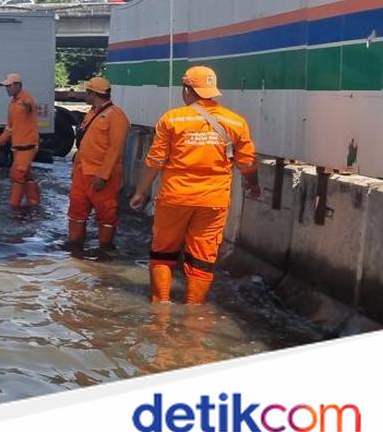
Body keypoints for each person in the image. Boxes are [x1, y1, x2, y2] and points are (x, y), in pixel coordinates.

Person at [130, 66, 261, 305]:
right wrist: (254, 186)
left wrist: (140, 192)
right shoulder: (236, 122)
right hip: (213, 201)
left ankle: (161, 307)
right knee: (202, 257)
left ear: (186, 90)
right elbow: (248, 164)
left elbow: (155, 161)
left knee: (163, 252)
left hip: (175, 197)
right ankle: (193, 312)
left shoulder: (172, 119)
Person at [67, 76, 130, 258]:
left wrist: (103, 176)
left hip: (100, 176)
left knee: (106, 213)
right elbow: (84, 145)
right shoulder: (92, 113)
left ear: (93, 93)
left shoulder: (116, 116)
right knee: (76, 211)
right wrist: (75, 170)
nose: (84, 95)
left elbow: (115, 149)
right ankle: (75, 247)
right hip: (82, 172)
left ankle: (104, 249)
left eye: (87, 92)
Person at [0, 72, 41, 209]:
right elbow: (10, 127)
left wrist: (27, 105)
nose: (7, 89)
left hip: (27, 145)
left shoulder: (26, 99)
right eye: (6, 86)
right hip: (19, 146)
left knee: (17, 175)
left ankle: (14, 207)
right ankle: (34, 203)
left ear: (18, 85)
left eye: (9, 86)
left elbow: (30, 106)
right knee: (25, 175)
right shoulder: (13, 103)